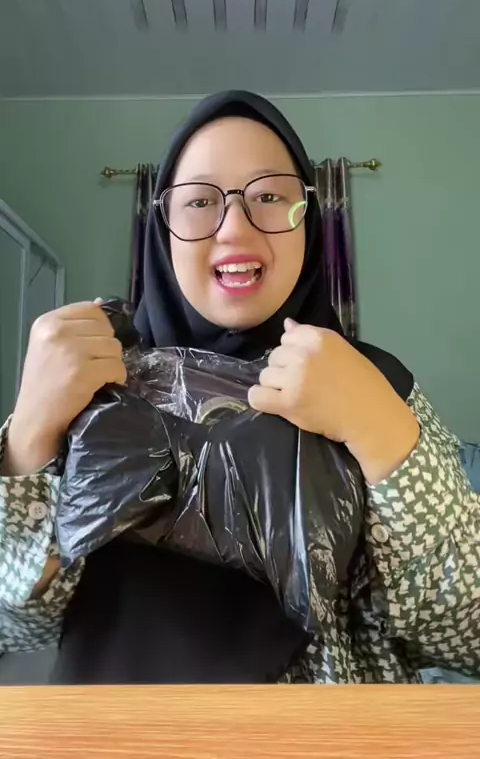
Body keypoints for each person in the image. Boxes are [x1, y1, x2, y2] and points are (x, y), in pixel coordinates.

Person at [0, 91, 478, 684]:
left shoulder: (375, 386)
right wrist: (28, 437)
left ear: (310, 219)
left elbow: (468, 636)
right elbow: (15, 630)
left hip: (332, 730)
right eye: (200, 201)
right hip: (115, 728)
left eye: (269, 196)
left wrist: (381, 433)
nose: (234, 228)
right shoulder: (88, 379)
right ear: (162, 228)